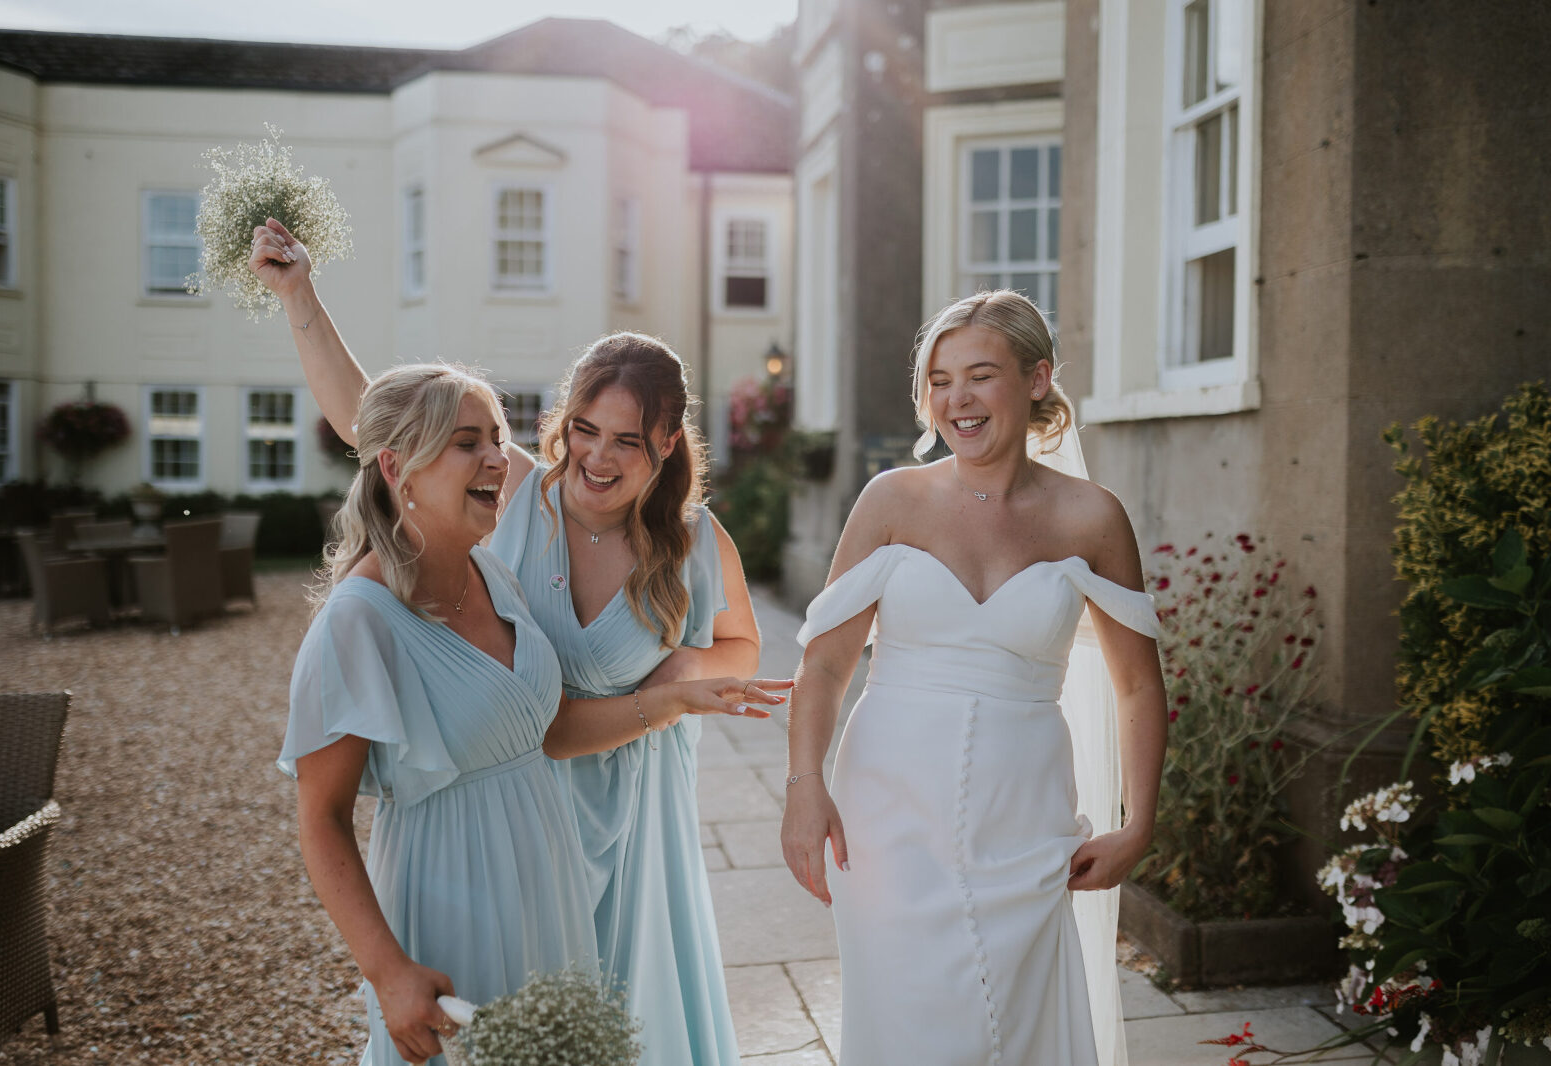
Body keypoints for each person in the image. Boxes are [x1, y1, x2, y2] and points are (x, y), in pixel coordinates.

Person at [254, 220, 782, 1066]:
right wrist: (299, 296)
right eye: (585, 430)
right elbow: (375, 424)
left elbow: (740, 648)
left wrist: (683, 671)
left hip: (632, 793)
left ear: (668, 447)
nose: (598, 459)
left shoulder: (688, 539)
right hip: (514, 779)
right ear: (563, 423)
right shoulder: (514, 504)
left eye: (628, 442)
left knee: (625, 1009)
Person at [778, 290, 1168, 1066]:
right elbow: (824, 662)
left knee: (1015, 1025)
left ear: (1036, 379)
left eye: (980, 374)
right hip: (887, 811)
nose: (956, 397)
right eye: (940, 378)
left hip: (1023, 814)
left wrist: (1139, 823)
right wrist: (803, 783)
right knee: (910, 1023)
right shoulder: (891, 500)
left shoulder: (1093, 517)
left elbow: (1138, 686)